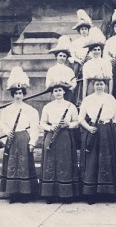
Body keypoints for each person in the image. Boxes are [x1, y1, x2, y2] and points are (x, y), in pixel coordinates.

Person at [78, 71, 116, 204]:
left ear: (106, 85)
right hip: (93, 131)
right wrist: (88, 128)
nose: (99, 86)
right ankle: (91, 194)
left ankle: (108, 193)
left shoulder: (110, 98)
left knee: (107, 159)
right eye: (97, 84)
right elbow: (80, 118)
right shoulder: (88, 99)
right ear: (92, 85)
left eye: (102, 84)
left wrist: (112, 127)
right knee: (93, 160)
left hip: (107, 130)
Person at [0, 67, 39, 203]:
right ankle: (13, 194)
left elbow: (35, 127)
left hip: (23, 138)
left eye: (20, 93)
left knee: (23, 165)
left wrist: (32, 142)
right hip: (11, 138)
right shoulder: (7, 110)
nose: (18, 96)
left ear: (23, 94)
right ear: (12, 94)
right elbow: (2, 123)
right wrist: (7, 132)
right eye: (16, 93)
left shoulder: (30, 110)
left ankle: (24, 194)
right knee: (12, 165)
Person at [39, 80, 80, 204]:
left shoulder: (70, 106)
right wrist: (50, 128)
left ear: (64, 92)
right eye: (55, 91)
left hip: (65, 136)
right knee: (50, 163)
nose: (58, 93)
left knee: (65, 162)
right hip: (51, 134)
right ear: (52, 93)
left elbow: (77, 122)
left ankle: (66, 194)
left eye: (60, 90)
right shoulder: (48, 106)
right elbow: (42, 123)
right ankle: (49, 194)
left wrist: (68, 124)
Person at [69, 9, 92, 106]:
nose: (84, 31)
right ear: (79, 31)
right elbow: (71, 54)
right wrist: (78, 60)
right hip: (78, 64)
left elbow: (95, 52)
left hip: (89, 63)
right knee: (78, 82)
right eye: (82, 29)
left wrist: (88, 58)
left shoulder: (91, 40)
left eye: (85, 29)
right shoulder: (75, 42)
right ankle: (78, 101)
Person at [82, 27, 113, 99]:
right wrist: (84, 96)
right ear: (91, 51)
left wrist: (110, 94)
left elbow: (110, 79)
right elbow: (85, 81)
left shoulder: (106, 62)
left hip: (103, 86)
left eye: (99, 50)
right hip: (92, 87)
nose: (97, 51)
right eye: (94, 50)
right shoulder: (87, 64)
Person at [46, 35, 77, 102]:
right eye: (60, 56)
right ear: (56, 57)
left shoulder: (69, 70)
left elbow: (74, 82)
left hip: (67, 94)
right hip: (55, 93)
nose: (62, 58)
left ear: (66, 58)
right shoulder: (52, 70)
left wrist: (69, 88)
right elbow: (48, 83)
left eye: (64, 56)